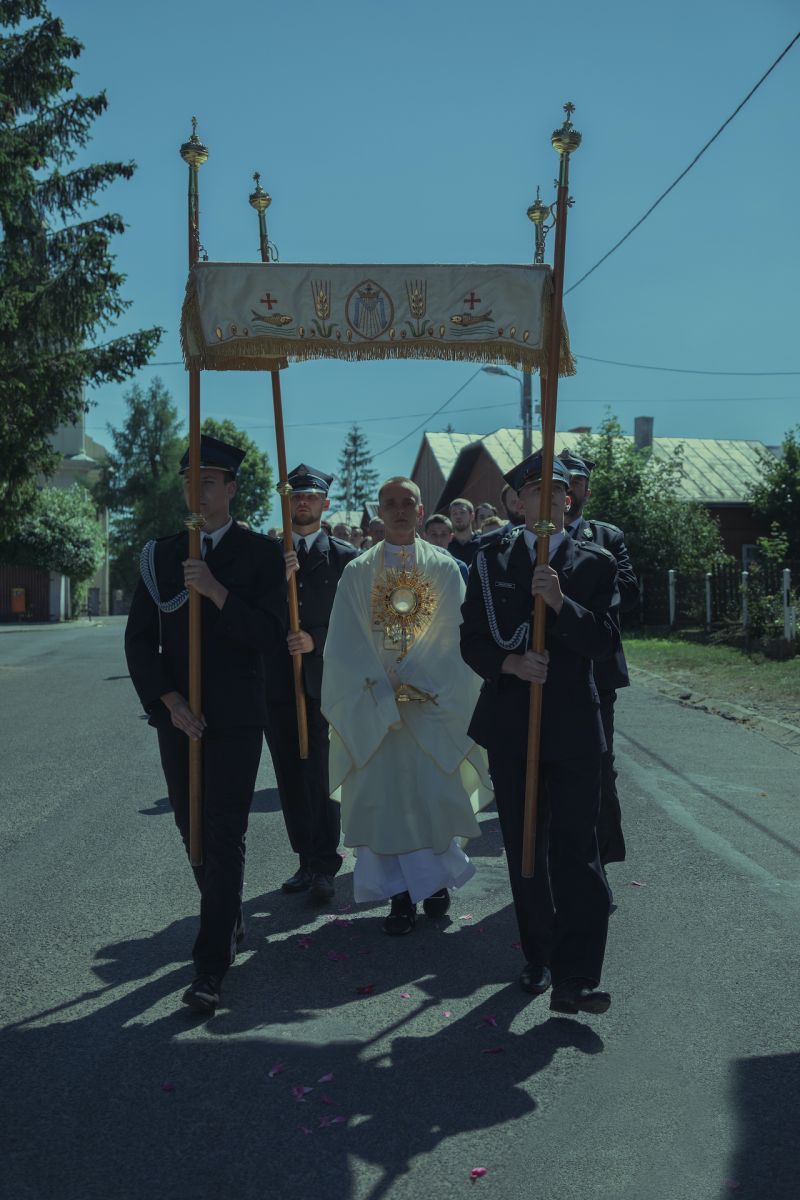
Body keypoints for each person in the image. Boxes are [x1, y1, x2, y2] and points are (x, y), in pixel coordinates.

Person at [125, 434, 287, 1015]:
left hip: (237, 716)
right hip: (178, 717)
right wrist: (167, 700)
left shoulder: (261, 554)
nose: (200, 490)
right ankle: (227, 912)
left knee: (224, 832)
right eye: (191, 480)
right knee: (192, 830)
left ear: (232, 489)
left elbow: (271, 637)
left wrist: (216, 590)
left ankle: (210, 966)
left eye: (211, 481)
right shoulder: (159, 555)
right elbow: (139, 641)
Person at [460, 451, 620, 1015]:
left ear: (568, 502)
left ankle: (577, 977)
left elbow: (604, 641)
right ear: (516, 501)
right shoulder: (488, 560)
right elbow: (473, 641)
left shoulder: (595, 563)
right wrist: (510, 666)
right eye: (535, 492)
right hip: (512, 726)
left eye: (557, 492)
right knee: (525, 847)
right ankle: (540, 955)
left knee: (577, 853)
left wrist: (560, 601)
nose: (547, 501)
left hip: (576, 726)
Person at [322, 477, 490, 934]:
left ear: (421, 512)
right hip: (375, 711)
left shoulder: (444, 569)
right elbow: (344, 643)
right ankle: (397, 897)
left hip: (430, 707)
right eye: (390, 503)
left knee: (429, 798)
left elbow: (455, 635)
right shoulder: (358, 572)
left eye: (408, 503)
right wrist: (380, 687)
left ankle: (434, 885)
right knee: (385, 801)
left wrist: (417, 682)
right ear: (379, 512)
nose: (399, 510)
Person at [263, 465, 358, 904]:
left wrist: (315, 639)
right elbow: (250, 616)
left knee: (322, 772)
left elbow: (358, 624)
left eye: (310, 496)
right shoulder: (266, 556)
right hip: (277, 681)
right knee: (289, 772)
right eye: (295, 496)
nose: (302, 502)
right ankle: (304, 858)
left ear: (325, 504)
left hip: (325, 680)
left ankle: (325, 863)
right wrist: (274, 582)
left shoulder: (345, 558)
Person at [558, 448, 639, 865]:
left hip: (596, 671)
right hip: (545, 671)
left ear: (587, 489)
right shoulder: (529, 538)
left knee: (598, 767)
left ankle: (600, 861)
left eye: (577, 481)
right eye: (562, 481)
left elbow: (626, 590)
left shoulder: (607, 537)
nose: (570, 488)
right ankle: (555, 860)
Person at [423, 513, 469, 583]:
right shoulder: (418, 565)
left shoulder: (460, 568)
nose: (439, 540)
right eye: (434, 534)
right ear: (425, 536)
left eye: (443, 534)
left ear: (451, 537)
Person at [448, 497, 480, 566]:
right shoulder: (447, 544)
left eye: (462, 512)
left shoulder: (481, 543)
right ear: (450, 517)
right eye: (454, 513)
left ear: (472, 516)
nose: (458, 516)